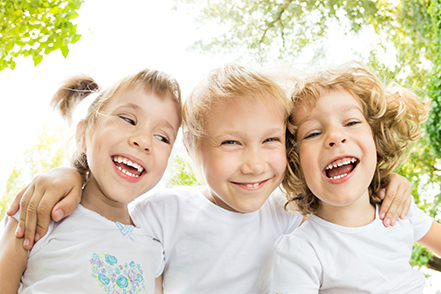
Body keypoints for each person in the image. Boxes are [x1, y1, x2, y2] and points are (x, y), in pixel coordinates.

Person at [7, 64, 412, 293]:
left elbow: (345, 209)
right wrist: (71, 173)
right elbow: (108, 218)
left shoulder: (290, 214)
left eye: (269, 140)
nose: (253, 164)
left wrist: (387, 182)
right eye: (231, 142)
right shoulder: (160, 214)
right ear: (189, 151)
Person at [0, 69, 182, 294]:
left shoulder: (154, 252)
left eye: (162, 137)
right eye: (128, 119)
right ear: (83, 135)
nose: (144, 140)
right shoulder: (39, 212)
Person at [271, 61, 441, 293]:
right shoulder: (299, 251)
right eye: (313, 133)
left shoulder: (398, 208)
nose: (335, 136)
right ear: (294, 162)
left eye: (351, 122)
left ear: (376, 140)